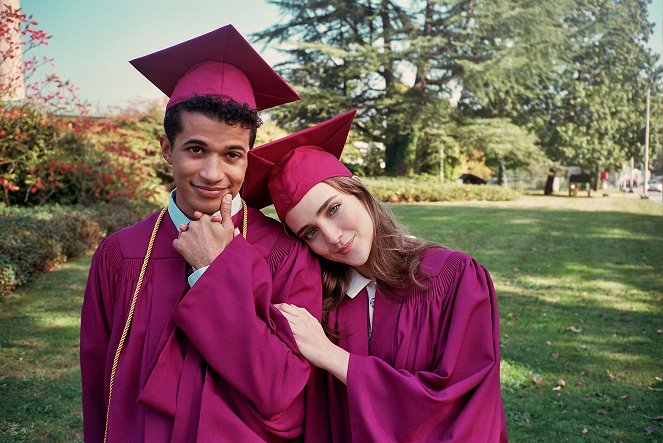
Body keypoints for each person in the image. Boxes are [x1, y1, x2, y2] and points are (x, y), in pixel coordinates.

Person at [80, 25, 322, 442]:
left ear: (248, 157)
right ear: (165, 149)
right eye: (195, 150)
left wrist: (213, 270)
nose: (213, 174)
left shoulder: (286, 255)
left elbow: (285, 390)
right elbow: (99, 380)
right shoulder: (120, 254)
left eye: (232, 155)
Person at [241, 109, 509, 442]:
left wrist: (333, 357)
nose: (333, 237)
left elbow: (465, 408)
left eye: (334, 209)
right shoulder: (325, 308)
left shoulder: (455, 279)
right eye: (310, 233)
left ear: (360, 191)